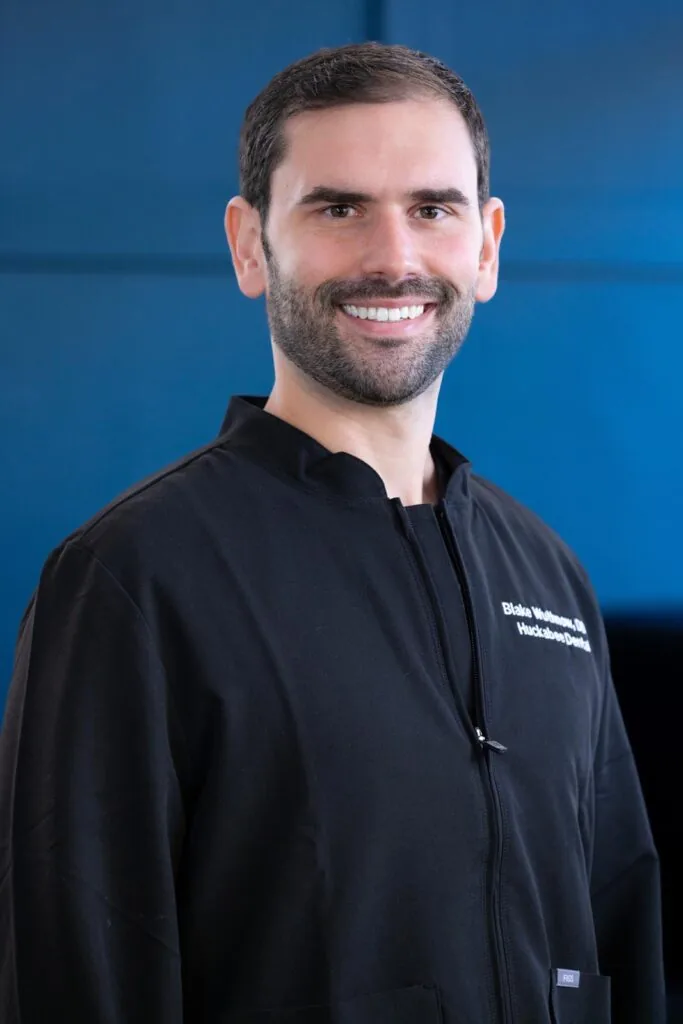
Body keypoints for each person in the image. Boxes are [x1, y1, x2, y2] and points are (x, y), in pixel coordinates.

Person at [0, 42, 665, 1024]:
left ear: (484, 246)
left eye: (431, 208)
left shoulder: (545, 574)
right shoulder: (135, 576)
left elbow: (618, 928)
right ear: (247, 244)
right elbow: (82, 970)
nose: (392, 257)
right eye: (337, 207)